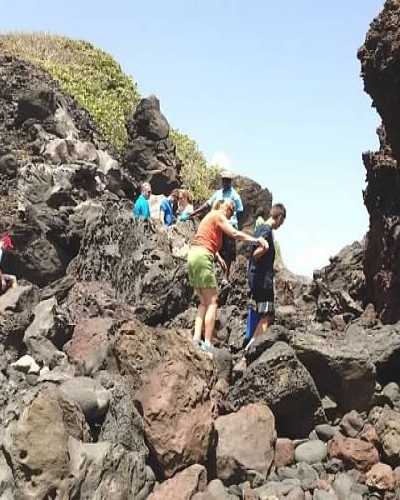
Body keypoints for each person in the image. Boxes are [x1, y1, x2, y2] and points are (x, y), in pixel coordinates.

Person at [187, 199, 268, 352]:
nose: (231, 216)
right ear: (228, 209)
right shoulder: (219, 215)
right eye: (232, 211)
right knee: (212, 301)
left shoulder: (211, 216)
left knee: (203, 302)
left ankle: (196, 338)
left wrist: (218, 258)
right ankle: (207, 343)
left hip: (193, 256)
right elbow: (234, 233)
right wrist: (256, 240)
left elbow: (204, 237)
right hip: (202, 257)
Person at [246, 203, 286, 349]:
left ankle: (250, 342)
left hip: (255, 277)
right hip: (262, 280)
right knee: (268, 314)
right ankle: (251, 348)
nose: (281, 225)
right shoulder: (266, 230)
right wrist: (265, 248)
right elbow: (255, 254)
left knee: (258, 312)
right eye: (282, 222)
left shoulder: (259, 229)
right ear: (280, 217)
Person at [190, 170, 243, 279]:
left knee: (228, 252)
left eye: (227, 180)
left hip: (229, 225)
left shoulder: (235, 196)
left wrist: (236, 225)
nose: (225, 182)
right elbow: (207, 204)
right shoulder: (218, 193)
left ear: (230, 181)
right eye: (224, 180)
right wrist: (194, 213)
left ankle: (226, 276)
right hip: (217, 224)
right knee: (216, 249)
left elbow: (240, 211)